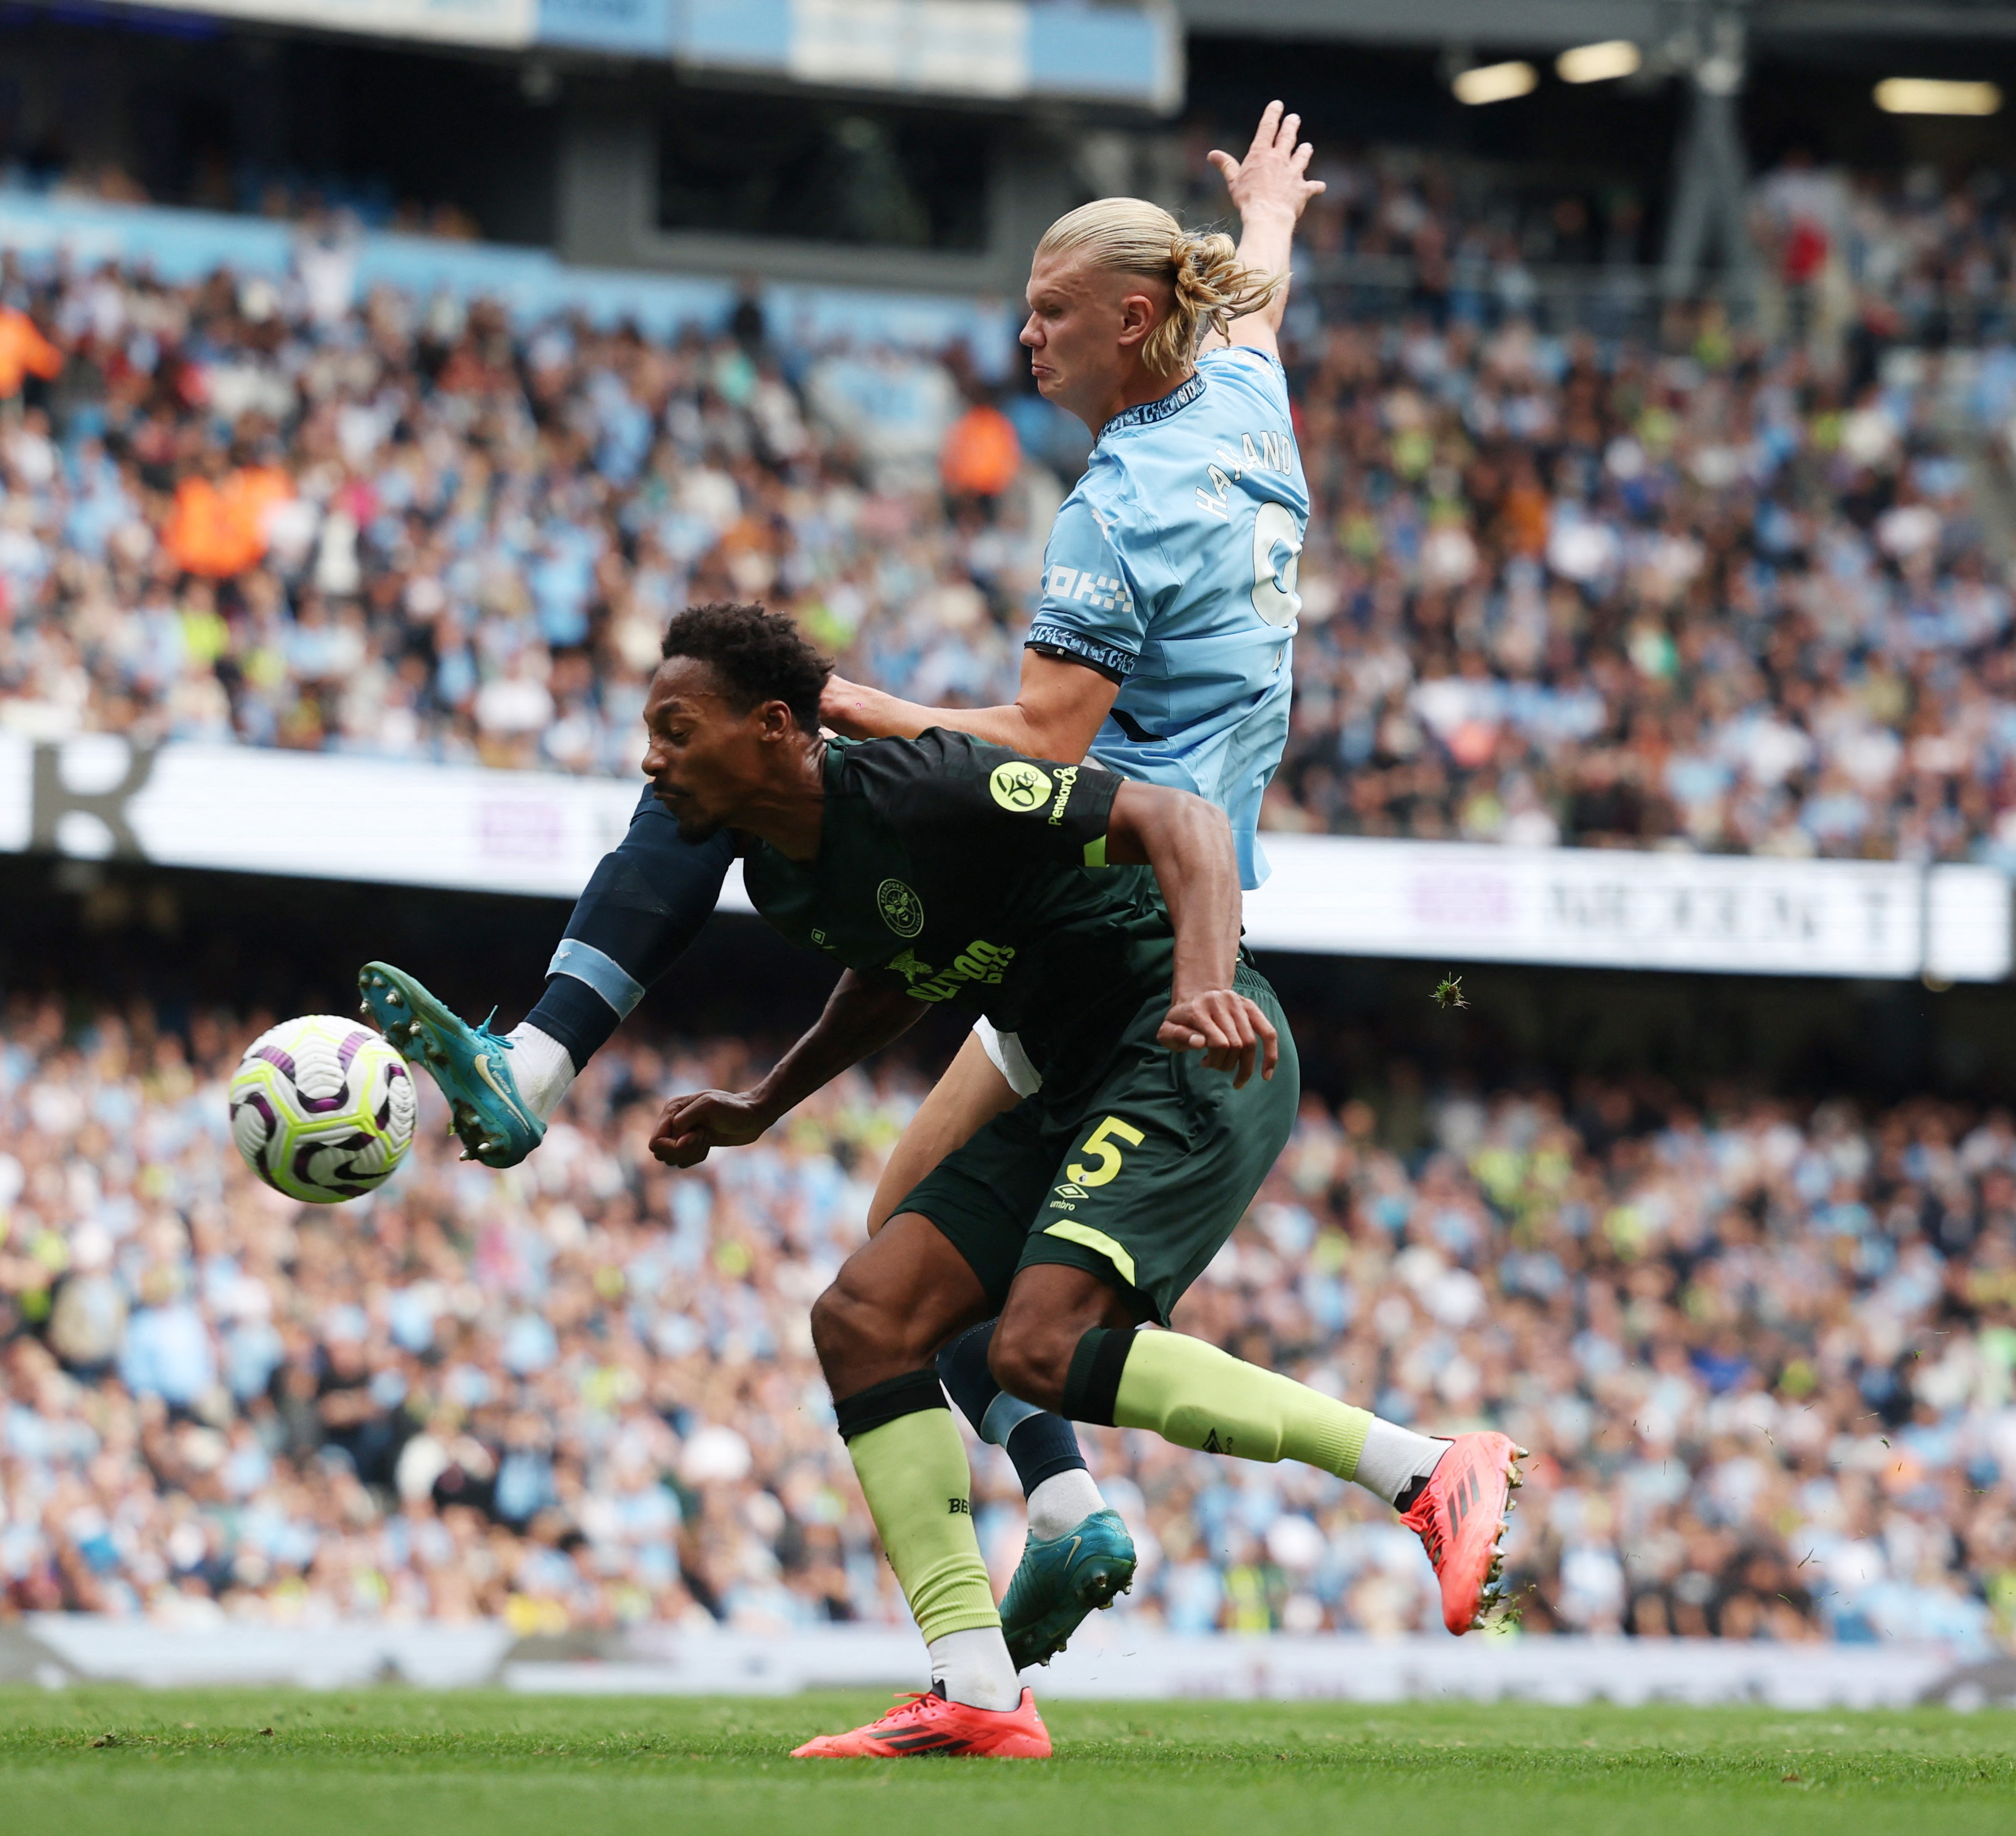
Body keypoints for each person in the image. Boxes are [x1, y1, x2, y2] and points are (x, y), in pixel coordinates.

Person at [364, 103, 1326, 1671]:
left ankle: (534, 1063)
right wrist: (1269, 218)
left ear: (1133, 320)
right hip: (1146, 889)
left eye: (1050, 313)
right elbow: (1253, 298)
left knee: (726, 766)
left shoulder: (1120, 501)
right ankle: (1067, 1507)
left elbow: (1048, 734)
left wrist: (865, 710)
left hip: (1107, 874)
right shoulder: (1239, 392)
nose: (1024, 338)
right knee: (897, 1246)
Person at [597, 603, 1518, 1758]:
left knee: (1035, 1345)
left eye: (676, 730)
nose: (651, 758)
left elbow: (1178, 820)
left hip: (1180, 1039)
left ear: (772, 725)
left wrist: (1196, 986)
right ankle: (976, 1689)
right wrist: (765, 1103)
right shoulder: (788, 880)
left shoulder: (922, 782)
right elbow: (898, 973)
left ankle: (1428, 1471)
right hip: (1067, 1074)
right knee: (867, 1319)